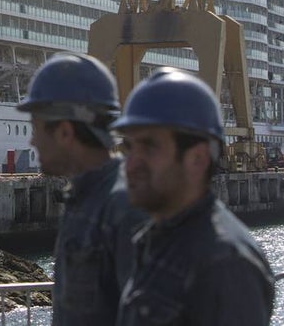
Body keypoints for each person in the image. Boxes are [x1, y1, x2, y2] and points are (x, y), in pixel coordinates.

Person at [111, 68, 274, 326]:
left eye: (149, 147)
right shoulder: (157, 241)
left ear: (197, 159)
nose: (130, 165)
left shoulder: (224, 264)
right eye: (129, 147)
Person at [17, 53, 145, 326]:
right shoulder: (87, 199)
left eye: (36, 128)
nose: (32, 140)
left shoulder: (124, 208)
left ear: (64, 132)